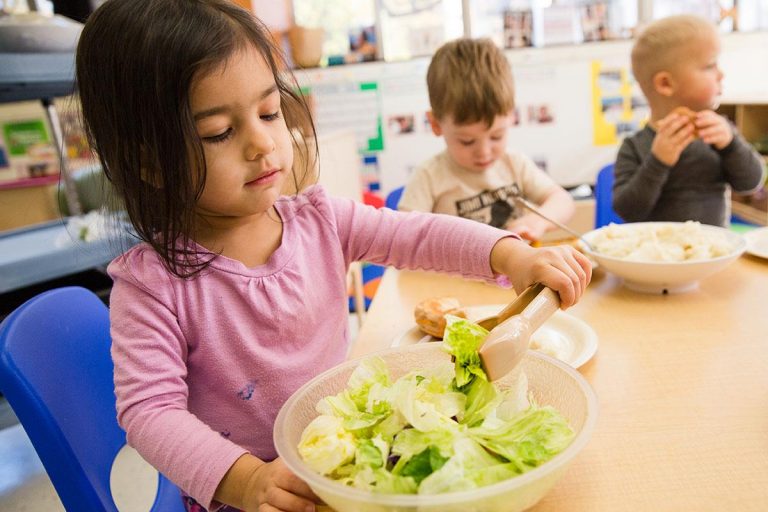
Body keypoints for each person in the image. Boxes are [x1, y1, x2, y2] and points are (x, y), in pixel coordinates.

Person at [75, 2, 592, 511]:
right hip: (254, 497)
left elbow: (418, 235)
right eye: (219, 132)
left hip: (348, 466)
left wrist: (508, 255)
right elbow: (149, 412)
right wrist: (248, 481)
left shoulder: (319, 220)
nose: (262, 143)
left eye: (268, 112)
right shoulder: (152, 286)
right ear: (149, 163)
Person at [398, 38, 575, 242]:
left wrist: (537, 221)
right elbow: (404, 236)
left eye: (496, 136)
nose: (484, 152)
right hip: (456, 273)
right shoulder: (429, 176)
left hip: (515, 271)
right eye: (466, 141)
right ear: (436, 124)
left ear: (511, 116)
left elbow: (563, 201)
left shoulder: (514, 164)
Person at [614, 15, 765, 226]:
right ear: (666, 84)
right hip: (657, 256)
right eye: (710, 66)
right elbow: (628, 211)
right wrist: (658, 162)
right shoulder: (634, 147)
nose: (721, 74)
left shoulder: (721, 133)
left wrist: (731, 145)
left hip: (713, 253)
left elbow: (751, 182)